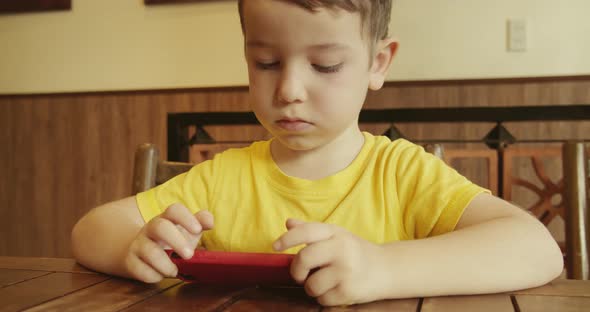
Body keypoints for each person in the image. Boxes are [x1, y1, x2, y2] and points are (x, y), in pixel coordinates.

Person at [71, 0, 563, 306]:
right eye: (266, 62)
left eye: (325, 65)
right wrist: (135, 248)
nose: (289, 89)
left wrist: (383, 268)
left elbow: (535, 248)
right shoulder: (221, 177)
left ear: (377, 63)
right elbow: (91, 230)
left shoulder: (402, 173)